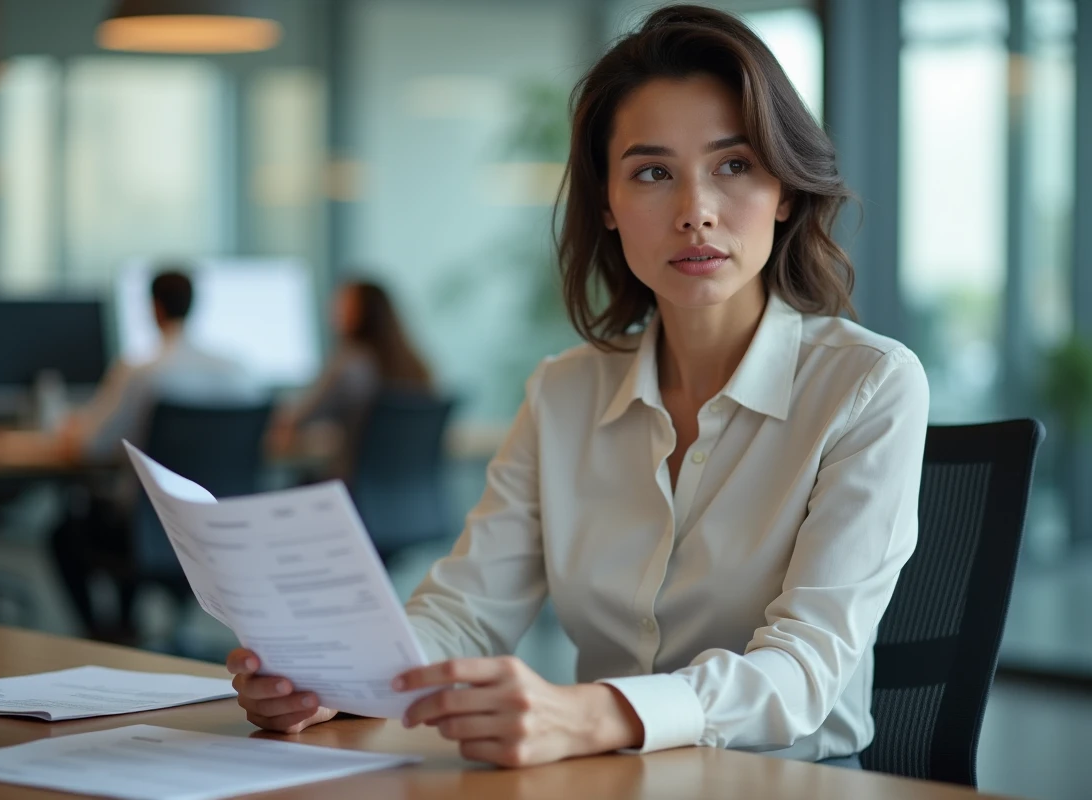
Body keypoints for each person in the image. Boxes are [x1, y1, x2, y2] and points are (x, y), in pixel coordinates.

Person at [228, 4, 929, 769]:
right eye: (653, 173)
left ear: (785, 191)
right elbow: (465, 614)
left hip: (790, 784)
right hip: (596, 780)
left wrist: (594, 713)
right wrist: (334, 679)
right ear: (608, 204)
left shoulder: (868, 385)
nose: (696, 212)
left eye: (735, 165)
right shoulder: (563, 393)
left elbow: (804, 671)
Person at [51, 268, 263, 642]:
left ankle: (106, 631)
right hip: (219, 530)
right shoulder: (238, 371)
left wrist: (68, 427)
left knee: (67, 532)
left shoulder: (142, 372)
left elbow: (91, 444)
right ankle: (132, 628)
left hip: (150, 529)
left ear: (154, 308)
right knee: (127, 513)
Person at [267, 279, 432, 478]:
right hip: (408, 492)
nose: (333, 312)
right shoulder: (415, 367)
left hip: (349, 491)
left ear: (361, 313)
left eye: (342, 305)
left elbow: (301, 416)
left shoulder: (350, 365)